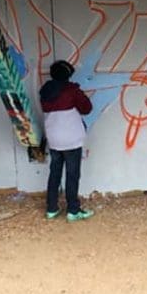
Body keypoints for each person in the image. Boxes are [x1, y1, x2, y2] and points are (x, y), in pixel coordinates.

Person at [40, 60, 95, 221]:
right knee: (72, 174)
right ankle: (73, 210)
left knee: (54, 173)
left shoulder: (45, 91)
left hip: (54, 139)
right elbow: (86, 108)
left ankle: (51, 209)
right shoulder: (72, 90)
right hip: (71, 139)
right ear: (67, 75)